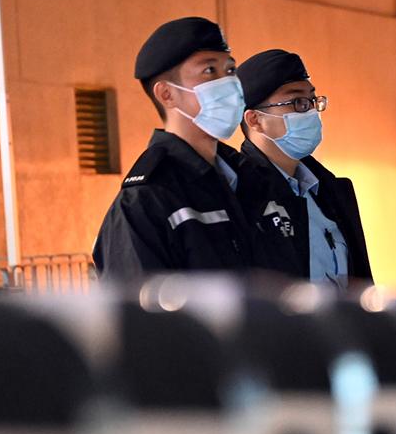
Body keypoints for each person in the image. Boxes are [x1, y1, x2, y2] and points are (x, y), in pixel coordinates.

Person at [92, 17, 299, 279]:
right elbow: (139, 315)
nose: (230, 84)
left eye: (231, 70)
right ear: (167, 94)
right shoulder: (147, 202)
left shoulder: (253, 182)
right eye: (209, 71)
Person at [235, 49, 373, 287]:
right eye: (297, 102)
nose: (310, 112)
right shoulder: (239, 195)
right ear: (255, 120)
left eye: (312, 101)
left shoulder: (332, 192)